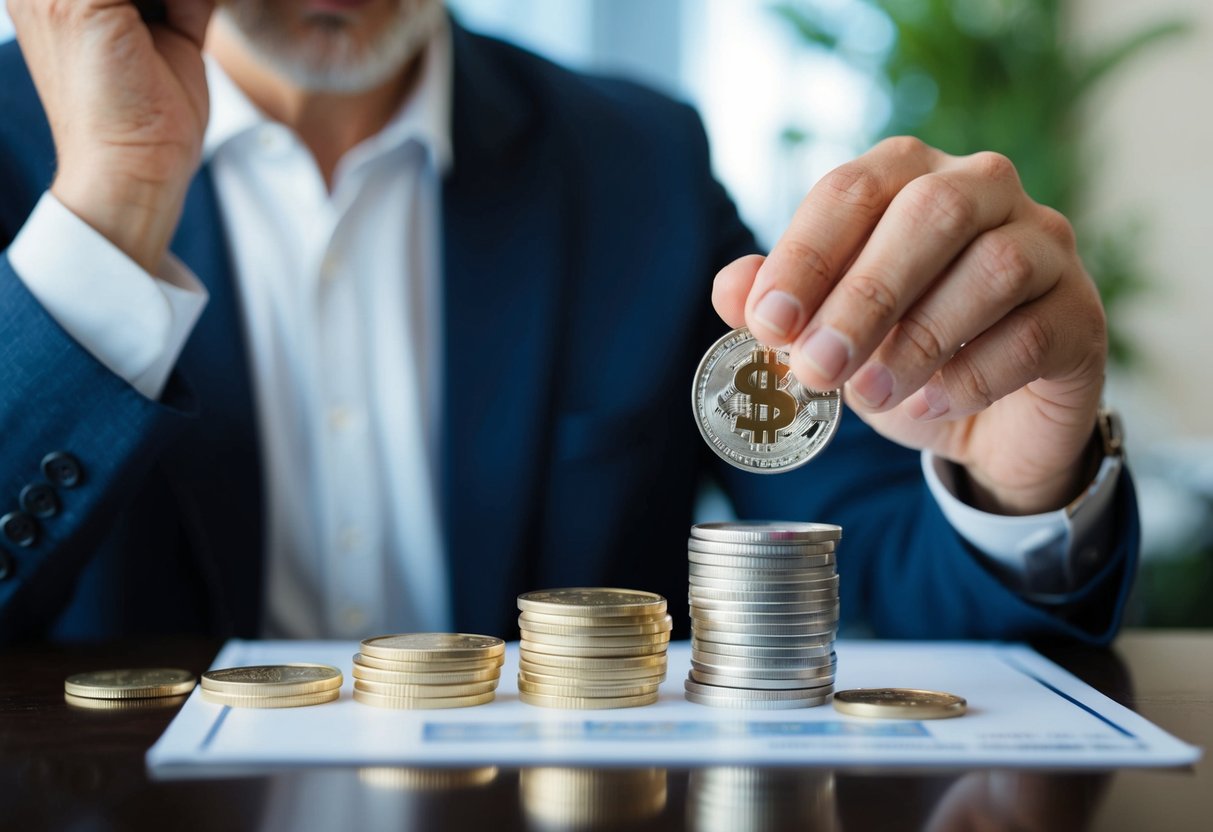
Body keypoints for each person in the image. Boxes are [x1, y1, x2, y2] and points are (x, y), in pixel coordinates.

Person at [0, 0, 1136, 644]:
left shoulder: (640, 162)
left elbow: (882, 575)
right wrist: (109, 209)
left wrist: (1017, 488)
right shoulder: (26, 164)